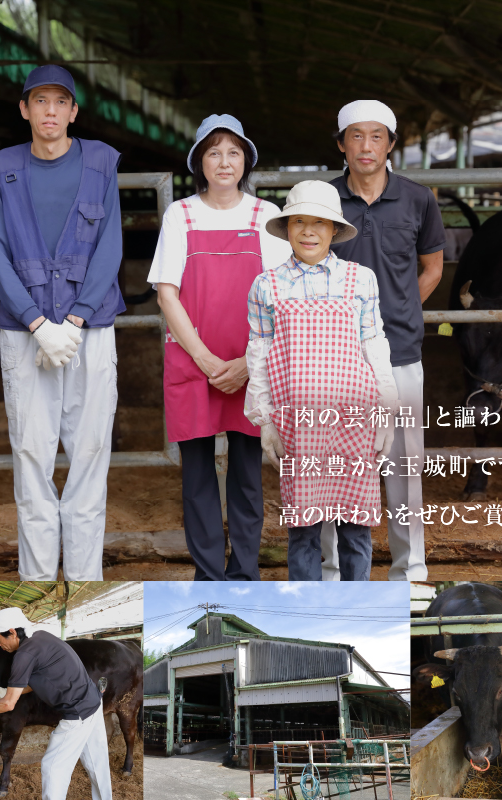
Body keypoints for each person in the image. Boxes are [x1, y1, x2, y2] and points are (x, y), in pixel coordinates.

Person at [0, 65, 124, 581]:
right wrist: (38, 322)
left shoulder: (102, 162)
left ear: (73, 111)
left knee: (89, 458)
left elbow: (111, 245)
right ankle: (38, 580)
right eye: (38, 101)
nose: (49, 111)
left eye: (59, 102)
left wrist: (77, 317)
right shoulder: (3, 167)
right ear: (24, 110)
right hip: (26, 332)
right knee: (31, 456)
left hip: (90, 330)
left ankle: (85, 578)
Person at [148, 114, 291, 581]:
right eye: (214, 152)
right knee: (197, 474)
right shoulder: (181, 214)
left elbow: (279, 296)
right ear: (200, 163)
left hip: (250, 362)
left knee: (248, 473)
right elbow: (167, 292)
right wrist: (208, 360)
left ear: (245, 159)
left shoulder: (265, 215)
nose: (224, 161)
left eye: (233, 152)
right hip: (194, 361)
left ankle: (244, 572)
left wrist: (246, 364)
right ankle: (209, 573)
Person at [244, 180, 399, 581]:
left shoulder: (360, 279)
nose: (309, 231)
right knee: (304, 530)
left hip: (354, 417)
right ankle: (307, 598)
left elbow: (374, 342)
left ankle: (357, 604)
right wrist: (264, 418)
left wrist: (387, 411)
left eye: (320, 223)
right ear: (287, 229)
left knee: (355, 529)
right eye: (299, 221)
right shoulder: (267, 285)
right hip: (297, 422)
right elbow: (258, 352)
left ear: (334, 230)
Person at [321, 100, 446, 582]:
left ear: (391, 144)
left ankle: (409, 568)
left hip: (399, 351)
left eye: (377, 136)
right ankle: (331, 571)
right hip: (332, 356)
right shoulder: (324, 200)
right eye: (356, 136)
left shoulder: (418, 199)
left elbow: (432, 266)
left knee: (404, 465)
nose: (366, 146)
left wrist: (398, 309)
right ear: (341, 144)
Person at [0, 607, 111, 800]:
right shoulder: (40, 637)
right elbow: (38, 678)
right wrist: (10, 690)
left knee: (53, 767)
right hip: (93, 701)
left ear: (13, 632)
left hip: (77, 713)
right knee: (97, 763)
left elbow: (8, 705)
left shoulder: (24, 655)